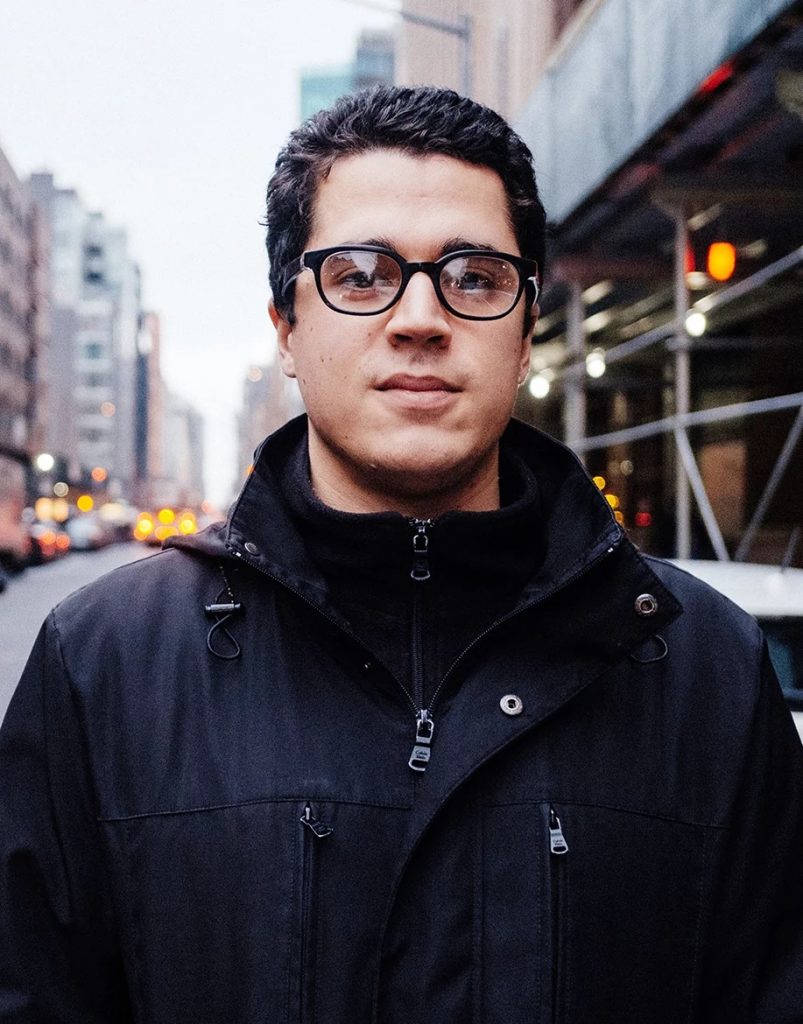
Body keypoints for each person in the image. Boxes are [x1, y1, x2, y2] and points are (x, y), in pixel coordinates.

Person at [1, 85, 802, 1023]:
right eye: (359, 273)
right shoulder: (106, 664)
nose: (420, 317)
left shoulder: (703, 664)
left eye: (472, 276)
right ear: (287, 329)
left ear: (526, 324)